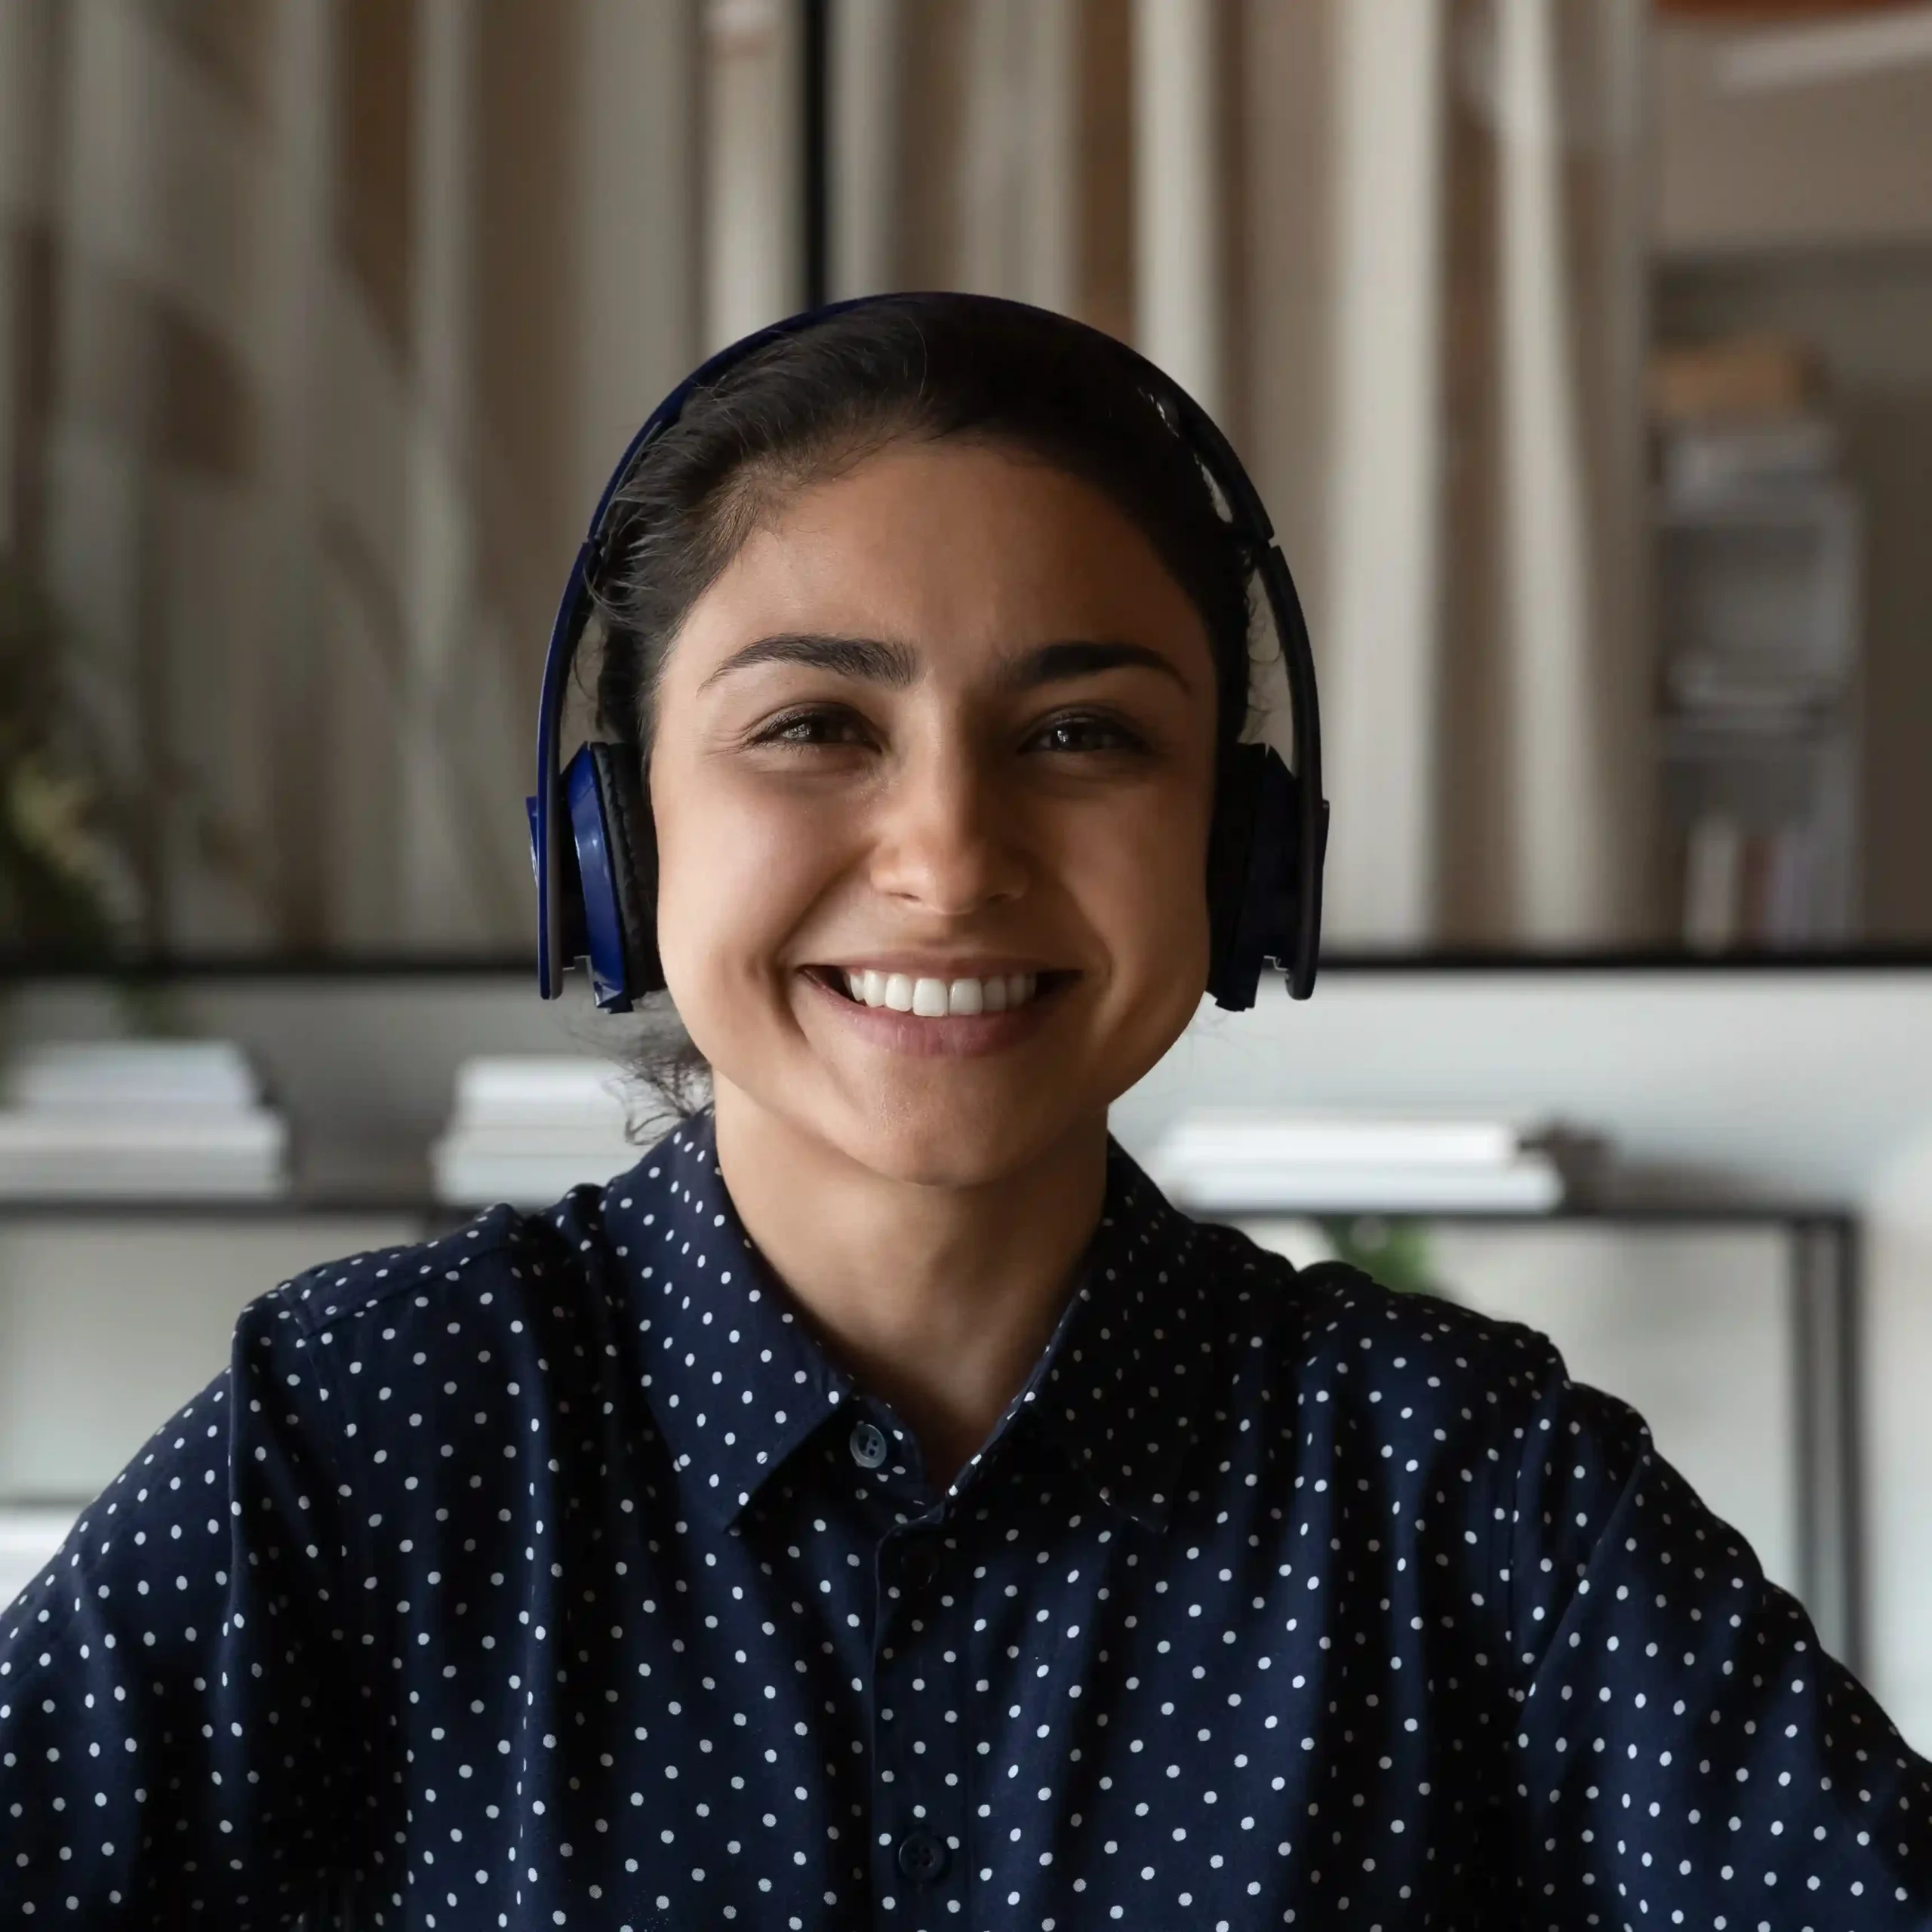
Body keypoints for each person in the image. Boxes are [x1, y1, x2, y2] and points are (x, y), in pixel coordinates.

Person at [2, 295, 1927, 1930]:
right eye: (814, 725)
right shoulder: (363, 1440)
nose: (944, 856)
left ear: (1236, 851)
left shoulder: (1460, 1488)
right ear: (617, 839)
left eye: (1080, 733)